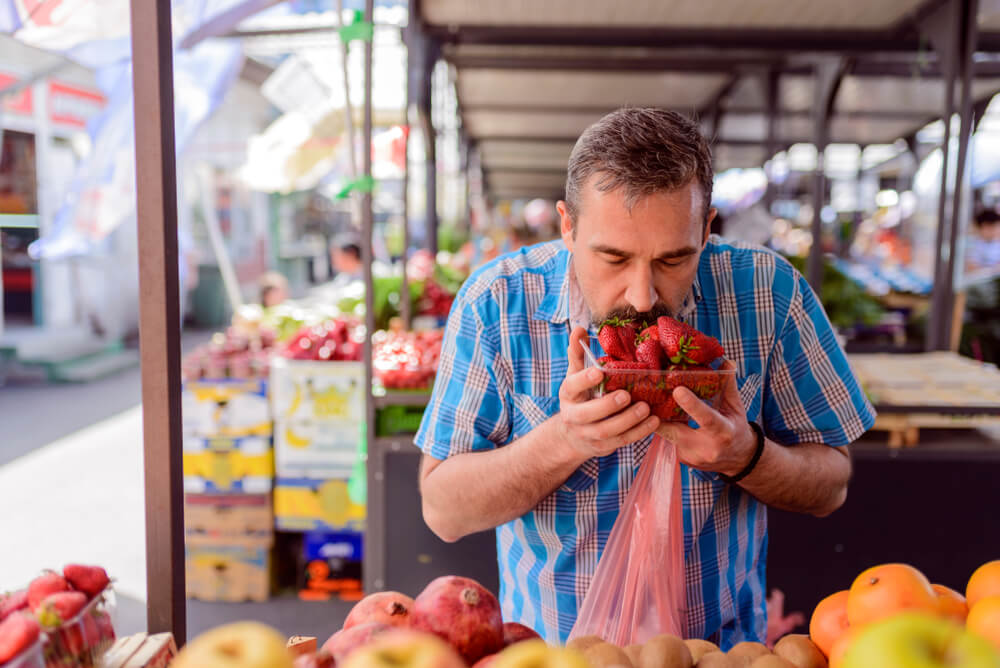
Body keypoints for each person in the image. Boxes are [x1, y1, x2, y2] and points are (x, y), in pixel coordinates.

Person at [414, 108, 875, 649]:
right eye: (613, 257)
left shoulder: (769, 293)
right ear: (568, 225)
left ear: (707, 229)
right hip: (551, 658)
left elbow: (831, 485)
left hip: (718, 657)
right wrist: (563, 440)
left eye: (674, 260)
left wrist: (745, 455)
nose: (642, 295)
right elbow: (443, 509)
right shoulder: (496, 303)